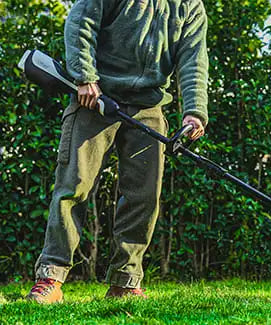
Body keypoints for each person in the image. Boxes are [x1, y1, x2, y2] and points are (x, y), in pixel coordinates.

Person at [26, 0, 208, 303]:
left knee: (143, 196)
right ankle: (50, 277)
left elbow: (194, 60)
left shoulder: (189, 7)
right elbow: (80, 23)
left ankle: (126, 280)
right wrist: (85, 76)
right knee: (73, 187)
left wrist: (195, 112)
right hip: (95, 100)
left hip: (149, 106)